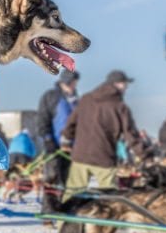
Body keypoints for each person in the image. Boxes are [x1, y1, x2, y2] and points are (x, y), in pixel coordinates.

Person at [60, 70, 144, 201]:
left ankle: (63, 215)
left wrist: (66, 139)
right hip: (104, 158)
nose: (127, 87)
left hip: (81, 155)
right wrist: (144, 154)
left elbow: (71, 123)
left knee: (72, 195)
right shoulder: (120, 107)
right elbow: (131, 134)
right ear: (117, 84)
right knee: (109, 199)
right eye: (125, 84)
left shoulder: (86, 99)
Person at [37, 68, 79, 213]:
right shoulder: (51, 97)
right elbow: (42, 120)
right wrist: (47, 139)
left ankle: (66, 211)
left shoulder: (76, 99)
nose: (73, 86)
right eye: (71, 83)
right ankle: (48, 211)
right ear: (63, 82)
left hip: (72, 148)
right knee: (52, 179)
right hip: (54, 147)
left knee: (70, 180)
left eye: (74, 83)